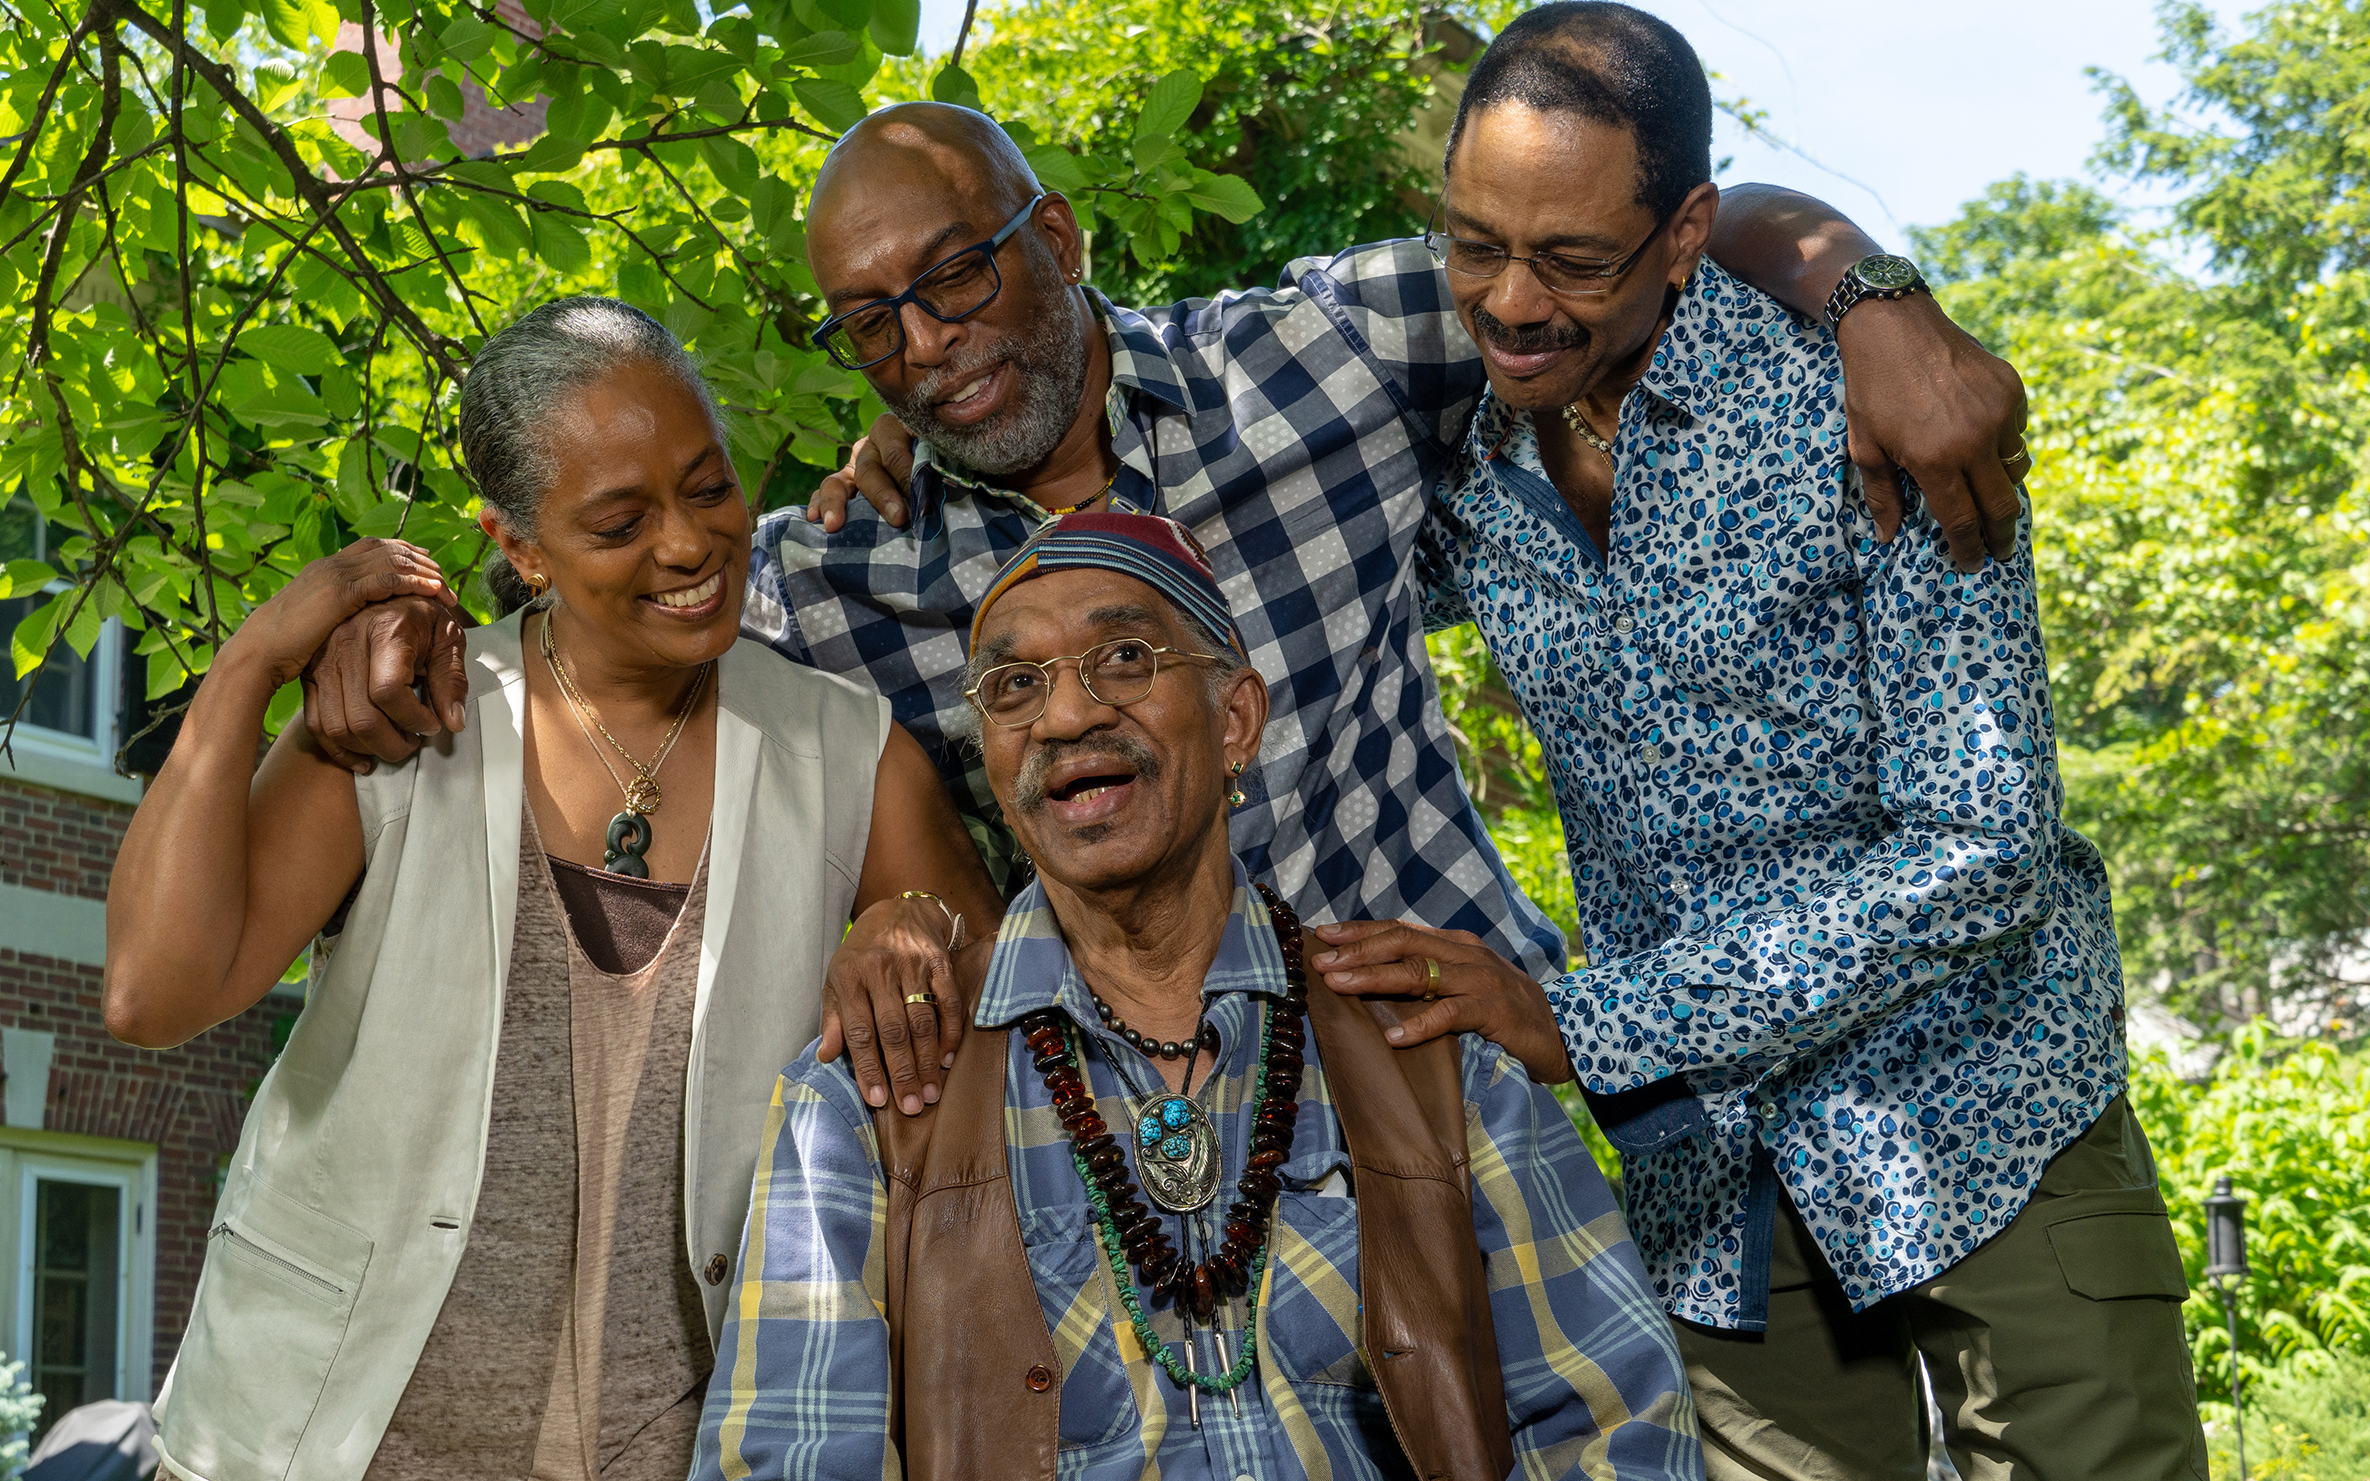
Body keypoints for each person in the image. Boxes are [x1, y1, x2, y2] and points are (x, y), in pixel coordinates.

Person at [297, 103, 2026, 1109]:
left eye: (957, 275)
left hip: (1472, 1087)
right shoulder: (838, 588)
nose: (926, 346)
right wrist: (398, 618)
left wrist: (1871, 300)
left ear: (1055, 237)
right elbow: (601, 614)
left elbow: (1603, 235)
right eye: (870, 324)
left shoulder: (1327, 358)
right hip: (1158, 1179)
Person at [1315, 2, 2204, 1479]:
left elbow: (1982, 843)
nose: (1511, 303)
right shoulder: (1459, 456)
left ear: (1684, 234)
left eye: (1573, 260)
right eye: (1474, 246)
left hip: (1987, 1127)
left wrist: (1595, 1024)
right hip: (1716, 1197)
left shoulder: (1863, 413)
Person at [103, 297, 1003, 1481]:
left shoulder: (843, 750)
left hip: (685, 1444)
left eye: (709, 488)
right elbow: (154, 996)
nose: (688, 545)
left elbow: (1003, 1020)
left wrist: (909, 920)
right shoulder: (403, 719)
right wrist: (250, 664)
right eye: (620, 522)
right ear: (519, 546)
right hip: (340, 1429)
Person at [691, 511, 1701, 1480]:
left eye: (1124, 658)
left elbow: (1617, 1428)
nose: (1067, 715)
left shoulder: (1430, 1050)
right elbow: (794, 1455)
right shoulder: (870, 1102)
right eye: (1014, 685)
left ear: (1235, 721)